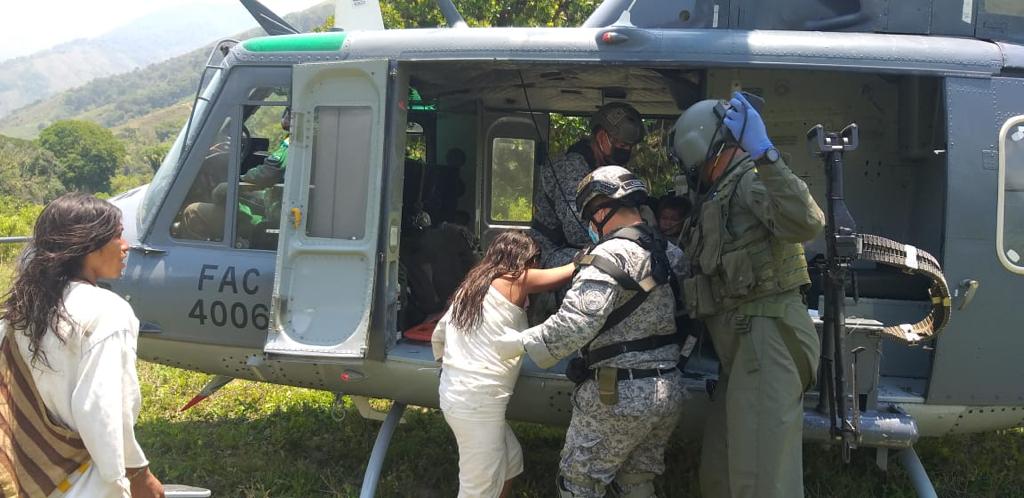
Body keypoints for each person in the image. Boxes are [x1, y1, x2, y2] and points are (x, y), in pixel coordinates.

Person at [669, 92, 825, 498]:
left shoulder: (748, 179)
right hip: (742, 345)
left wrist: (767, 154)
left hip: (766, 337)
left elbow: (805, 221)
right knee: (722, 473)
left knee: (760, 482)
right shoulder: (719, 194)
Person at [497, 166, 685, 498]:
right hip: (667, 389)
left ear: (600, 212)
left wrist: (514, 343)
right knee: (636, 479)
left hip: (620, 395)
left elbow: (573, 325)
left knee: (579, 482)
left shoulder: (608, 256)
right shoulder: (670, 253)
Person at [0, 193, 165, 498]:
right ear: (90, 246)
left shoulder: (21, 309)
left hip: (29, 475)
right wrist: (137, 475)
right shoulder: (106, 311)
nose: (126, 246)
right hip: (83, 481)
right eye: (117, 235)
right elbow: (103, 410)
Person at [432, 231, 575, 498]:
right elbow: (567, 272)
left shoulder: (474, 285)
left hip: (460, 395)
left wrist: (451, 364)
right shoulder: (513, 280)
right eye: (535, 261)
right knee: (477, 488)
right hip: (478, 402)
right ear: (524, 260)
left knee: (511, 461)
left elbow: (440, 333)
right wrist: (600, 252)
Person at [531, 102, 646, 269]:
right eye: (622, 145)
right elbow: (576, 232)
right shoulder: (570, 169)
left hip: (586, 246)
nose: (626, 151)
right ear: (601, 138)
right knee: (606, 265)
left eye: (630, 147)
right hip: (552, 251)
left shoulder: (608, 166)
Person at [179, 107, 291, 242]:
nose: (286, 117)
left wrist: (240, 179)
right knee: (230, 191)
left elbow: (267, 173)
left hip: (275, 212)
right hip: (280, 202)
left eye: (289, 114)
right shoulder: (312, 139)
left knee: (196, 208)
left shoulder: (293, 142)